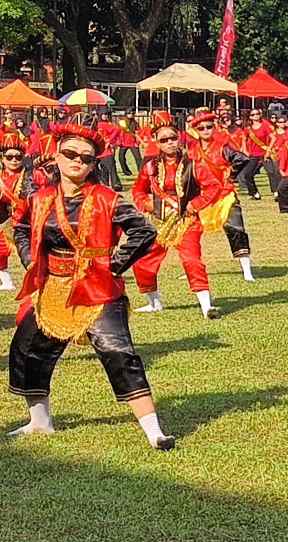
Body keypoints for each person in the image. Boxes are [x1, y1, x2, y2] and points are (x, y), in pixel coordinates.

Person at [7, 116, 174, 450]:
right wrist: (29, 260)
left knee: (118, 351)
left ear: (93, 163)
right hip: (52, 286)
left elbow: (144, 231)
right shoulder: (39, 198)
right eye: (70, 154)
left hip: (97, 286)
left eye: (86, 158)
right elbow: (22, 228)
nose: (77, 162)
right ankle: (39, 422)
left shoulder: (106, 198)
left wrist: (112, 263)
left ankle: (155, 431)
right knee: (27, 350)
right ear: (56, 154)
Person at [129, 111, 223, 319]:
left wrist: (193, 205)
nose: (170, 143)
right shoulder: (151, 166)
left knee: (192, 259)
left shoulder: (193, 164)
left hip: (186, 220)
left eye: (173, 138)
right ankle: (154, 302)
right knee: (143, 260)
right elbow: (138, 191)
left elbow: (212, 186)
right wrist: (150, 205)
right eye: (164, 140)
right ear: (157, 142)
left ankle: (207, 306)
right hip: (159, 220)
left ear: (179, 138)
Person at [188, 109, 257, 283]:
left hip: (225, 194)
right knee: (191, 234)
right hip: (203, 197)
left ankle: (247, 270)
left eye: (209, 127)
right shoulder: (192, 151)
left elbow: (242, 159)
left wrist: (231, 175)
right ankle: (192, 266)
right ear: (196, 130)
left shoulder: (222, 148)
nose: (205, 130)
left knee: (236, 229)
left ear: (214, 127)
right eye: (201, 128)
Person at [0, 129, 32, 290]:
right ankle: (5, 279)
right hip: (4, 219)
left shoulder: (30, 175)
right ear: (2, 158)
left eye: (18, 157)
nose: (14, 160)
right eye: (9, 157)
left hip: (25, 220)